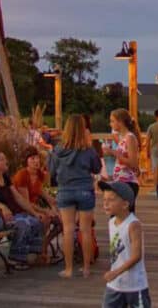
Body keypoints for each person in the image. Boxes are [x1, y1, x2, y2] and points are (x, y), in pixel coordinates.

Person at [50, 114, 102, 278]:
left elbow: (51, 172)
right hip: (85, 189)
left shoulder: (58, 150)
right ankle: (86, 268)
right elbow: (97, 168)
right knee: (85, 230)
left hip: (65, 190)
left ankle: (69, 269)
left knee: (68, 230)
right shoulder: (88, 150)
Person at [0, 152, 44, 269]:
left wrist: (34, 213)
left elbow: (18, 197)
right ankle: (16, 258)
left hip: (8, 215)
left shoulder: (5, 177)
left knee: (36, 221)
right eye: (3, 159)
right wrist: (2, 207)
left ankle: (31, 255)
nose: (6, 161)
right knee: (22, 225)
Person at [100, 180, 150, 308]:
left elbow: (136, 256)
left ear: (125, 204)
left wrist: (116, 272)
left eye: (111, 200)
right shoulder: (111, 222)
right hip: (115, 284)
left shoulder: (133, 224)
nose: (106, 203)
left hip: (134, 285)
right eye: (104, 199)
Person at [13, 146, 60, 264]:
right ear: (26, 161)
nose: (36, 161)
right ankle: (41, 252)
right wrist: (45, 211)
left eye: (37, 158)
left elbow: (43, 193)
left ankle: (44, 244)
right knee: (45, 219)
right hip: (22, 209)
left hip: (34, 207)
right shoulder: (22, 175)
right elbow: (26, 202)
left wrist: (54, 206)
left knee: (61, 221)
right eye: (32, 158)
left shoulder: (39, 174)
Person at [107, 109, 141, 198]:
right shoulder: (123, 138)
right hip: (121, 182)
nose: (110, 124)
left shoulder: (130, 137)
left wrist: (114, 153)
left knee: (124, 211)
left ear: (120, 122)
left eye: (112, 121)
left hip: (128, 182)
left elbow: (133, 163)